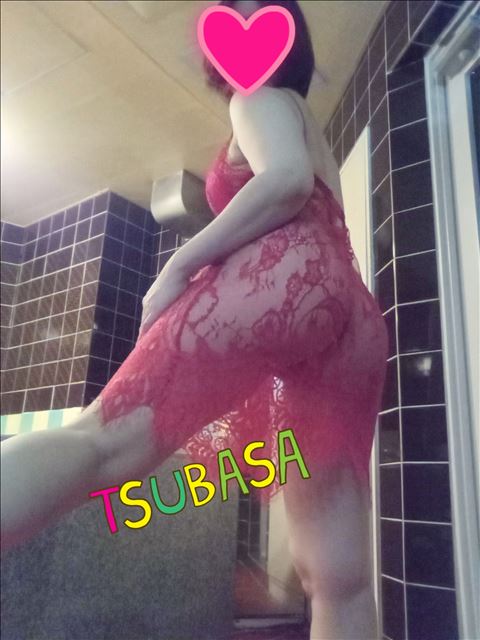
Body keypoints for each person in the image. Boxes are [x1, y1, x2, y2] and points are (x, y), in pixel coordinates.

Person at [1, 1, 388, 638]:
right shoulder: (309, 123)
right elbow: (317, 211)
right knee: (339, 577)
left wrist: (180, 264)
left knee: (99, 442)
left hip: (289, 272)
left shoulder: (258, 98)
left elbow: (287, 181)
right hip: (352, 311)